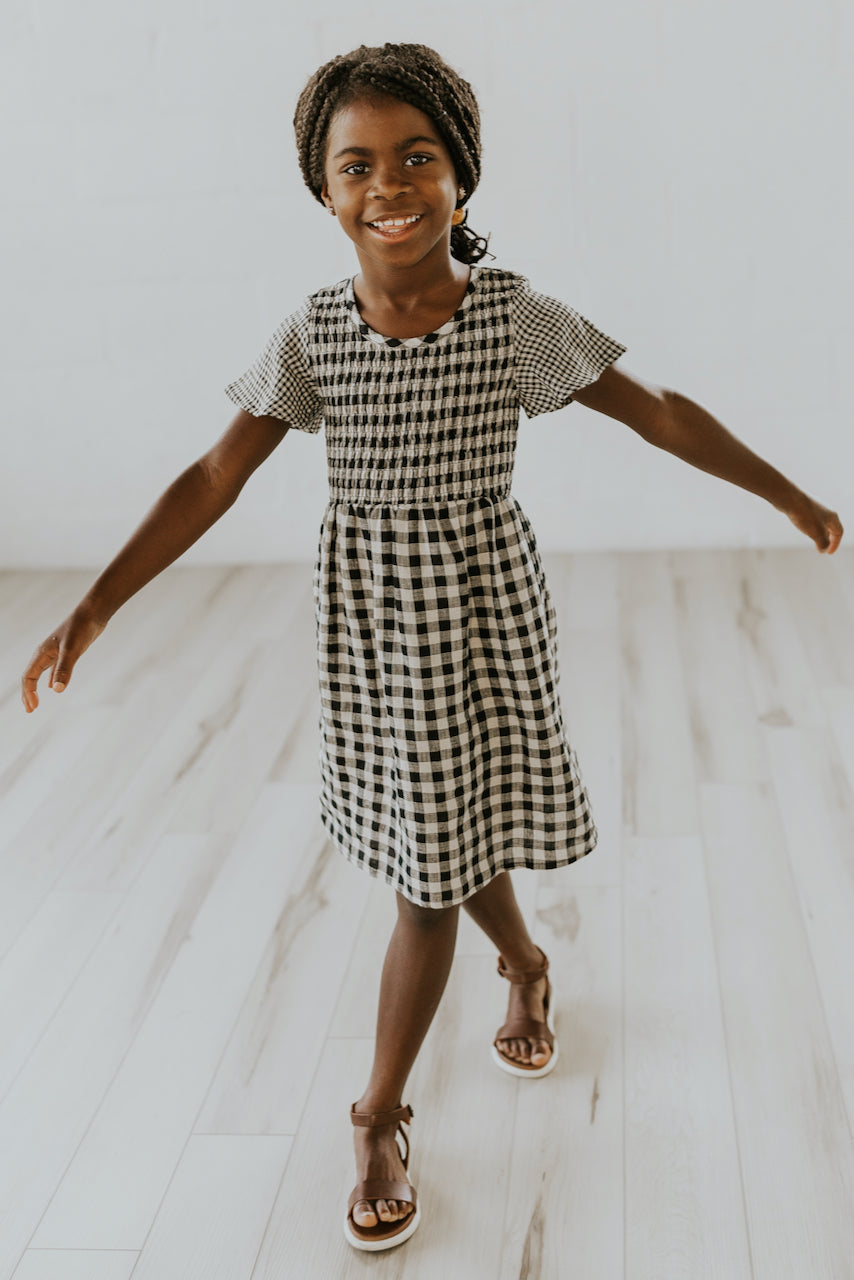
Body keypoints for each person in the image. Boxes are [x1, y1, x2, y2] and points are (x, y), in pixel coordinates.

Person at [20, 41, 843, 1255]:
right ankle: (512, 971)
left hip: (482, 613)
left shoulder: (511, 318)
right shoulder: (311, 335)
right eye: (357, 166)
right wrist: (94, 604)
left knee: (431, 855)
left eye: (417, 157)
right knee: (438, 832)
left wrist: (787, 498)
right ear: (322, 193)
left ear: (461, 174)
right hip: (372, 630)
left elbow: (654, 409)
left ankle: (376, 1107)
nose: (389, 185)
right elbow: (213, 475)